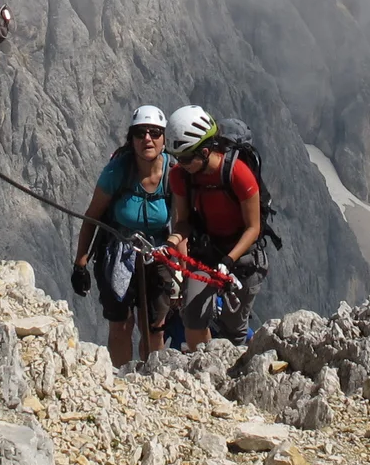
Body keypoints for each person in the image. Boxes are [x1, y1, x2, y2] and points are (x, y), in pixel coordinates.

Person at [69, 106, 177, 367]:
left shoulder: (173, 175)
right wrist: (80, 262)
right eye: (140, 133)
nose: (147, 139)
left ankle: (152, 380)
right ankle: (121, 379)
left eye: (154, 133)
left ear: (164, 139)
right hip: (117, 253)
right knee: (121, 324)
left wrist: (179, 264)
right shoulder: (117, 171)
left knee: (154, 326)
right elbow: (92, 216)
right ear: (131, 139)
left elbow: (182, 223)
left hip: (159, 253)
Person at [165, 104, 268, 346]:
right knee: (192, 314)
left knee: (234, 330)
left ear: (206, 150)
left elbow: (253, 227)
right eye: (178, 157)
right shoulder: (180, 176)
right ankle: (202, 368)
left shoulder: (239, 174)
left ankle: (231, 374)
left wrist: (229, 260)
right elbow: (183, 222)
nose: (182, 163)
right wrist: (170, 243)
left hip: (243, 258)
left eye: (187, 157)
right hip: (208, 253)